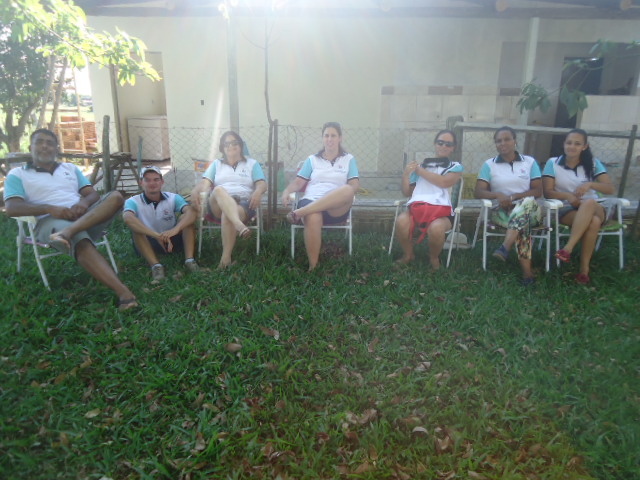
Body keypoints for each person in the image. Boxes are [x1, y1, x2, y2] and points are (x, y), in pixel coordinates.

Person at [3, 128, 138, 311]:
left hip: (84, 216)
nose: (45, 146)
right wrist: (48, 208)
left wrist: (83, 203)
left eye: (50, 143)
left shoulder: (70, 169)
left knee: (115, 196)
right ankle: (124, 294)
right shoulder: (18, 174)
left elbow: (91, 194)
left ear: (56, 149)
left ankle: (67, 232)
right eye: (39, 142)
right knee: (79, 238)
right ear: (30, 147)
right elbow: (12, 208)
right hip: (48, 221)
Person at [281, 122, 359, 271]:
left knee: (348, 190)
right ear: (322, 138)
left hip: (336, 207)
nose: (329, 139)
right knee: (313, 216)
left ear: (340, 138)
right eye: (326, 135)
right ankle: (313, 266)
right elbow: (298, 183)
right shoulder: (312, 160)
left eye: (333, 135)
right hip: (311, 200)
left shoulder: (349, 159)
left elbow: (354, 185)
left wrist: (344, 193)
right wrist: (286, 191)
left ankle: (300, 213)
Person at [542, 128, 614, 284]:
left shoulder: (593, 163)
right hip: (567, 208)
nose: (572, 147)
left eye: (577, 143)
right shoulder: (553, 163)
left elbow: (609, 188)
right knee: (593, 222)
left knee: (589, 202)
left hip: (595, 208)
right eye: (569, 143)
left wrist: (590, 184)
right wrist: (568, 196)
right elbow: (547, 192)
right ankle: (584, 270)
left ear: (584, 146)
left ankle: (567, 248)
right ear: (564, 144)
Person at [475, 126, 543, 286]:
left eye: (507, 139)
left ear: (515, 141)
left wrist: (516, 197)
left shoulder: (529, 162)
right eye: (498, 141)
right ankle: (527, 274)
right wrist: (497, 195)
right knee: (522, 224)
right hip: (502, 212)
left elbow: (538, 191)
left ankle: (505, 246)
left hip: (530, 210)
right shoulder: (489, 164)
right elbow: (478, 191)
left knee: (526, 204)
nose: (502, 143)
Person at [191, 131, 267, 268]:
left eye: (234, 143)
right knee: (218, 190)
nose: (230, 146)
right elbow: (205, 183)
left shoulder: (252, 163)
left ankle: (225, 260)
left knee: (228, 214)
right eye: (226, 144)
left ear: (241, 145)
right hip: (217, 204)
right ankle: (239, 225)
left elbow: (261, 183)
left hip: (242, 204)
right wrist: (195, 191)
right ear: (222, 148)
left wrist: (257, 191)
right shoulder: (216, 164)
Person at [394, 130, 463, 270]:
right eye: (440, 142)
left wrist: (420, 171)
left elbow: (444, 182)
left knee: (437, 228)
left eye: (448, 144)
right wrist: (406, 175)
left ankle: (434, 257)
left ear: (453, 148)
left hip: (442, 213)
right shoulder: (422, 166)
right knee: (401, 221)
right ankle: (408, 254)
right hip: (417, 209)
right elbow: (407, 192)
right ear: (435, 144)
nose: (443, 146)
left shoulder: (455, 167)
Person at [123, 166, 199, 283]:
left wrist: (175, 230)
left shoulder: (173, 197)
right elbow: (127, 218)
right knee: (136, 229)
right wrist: (156, 235)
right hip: (148, 241)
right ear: (141, 183)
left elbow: (191, 213)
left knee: (186, 219)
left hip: (172, 239)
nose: (152, 183)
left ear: (162, 182)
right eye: (147, 180)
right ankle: (156, 267)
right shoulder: (133, 201)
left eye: (156, 179)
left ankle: (190, 260)